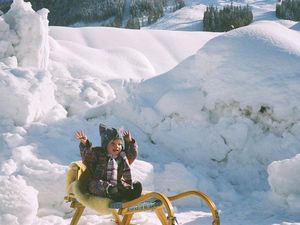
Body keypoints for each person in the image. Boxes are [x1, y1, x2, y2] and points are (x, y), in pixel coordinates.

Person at [75, 123, 142, 202]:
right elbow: (87, 157)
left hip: (116, 184)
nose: (116, 146)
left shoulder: (122, 157)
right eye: (113, 144)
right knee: (93, 185)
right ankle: (112, 192)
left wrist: (130, 142)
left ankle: (131, 193)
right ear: (105, 144)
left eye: (119, 144)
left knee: (123, 185)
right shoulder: (99, 153)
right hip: (99, 183)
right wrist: (85, 144)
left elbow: (132, 155)